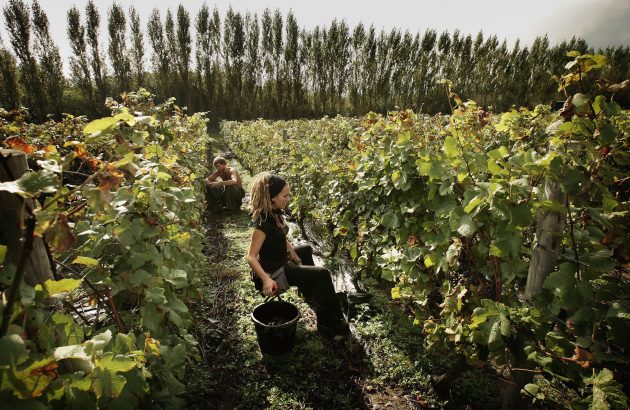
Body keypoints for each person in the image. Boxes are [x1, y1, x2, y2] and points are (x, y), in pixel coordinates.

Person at [246, 172, 349, 337]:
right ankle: (329, 323)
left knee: (306, 249)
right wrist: (266, 279)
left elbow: (282, 237)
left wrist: (296, 257)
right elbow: (250, 256)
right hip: (275, 272)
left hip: (282, 261)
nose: (288, 199)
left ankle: (310, 293)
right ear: (272, 197)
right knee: (322, 274)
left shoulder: (275, 214)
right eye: (285, 195)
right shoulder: (262, 224)